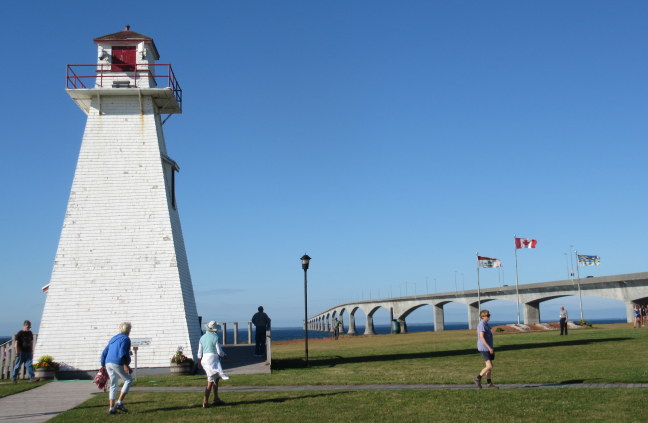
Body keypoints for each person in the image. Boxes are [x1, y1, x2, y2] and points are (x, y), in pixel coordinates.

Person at [100, 322, 133, 415]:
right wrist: (126, 364)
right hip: (117, 362)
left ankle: (111, 408)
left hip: (108, 362)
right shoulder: (126, 339)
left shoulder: (113, 338)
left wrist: (102, 363)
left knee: (113, 384)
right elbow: (122, 351)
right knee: (128, 380)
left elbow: (105, 351)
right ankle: (119, 402)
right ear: (128, 330)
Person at [197, 321, 229, 408]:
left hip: (204, 359)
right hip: (212, 360)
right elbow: (219, 351)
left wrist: (199, 362)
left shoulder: (202, 338)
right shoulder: (216, 337)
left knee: (216, 378)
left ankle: (216, 399)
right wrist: (225, 355)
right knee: (210, 381)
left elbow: (199, 352)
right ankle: (205, 402)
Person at [473, 309, 497, 389]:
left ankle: (489, 383)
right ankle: (478, 378)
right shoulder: (482, 324)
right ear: (483, 317)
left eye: (489, 315)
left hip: (488, 348)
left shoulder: (486, 324)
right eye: (488, 316)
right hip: (484, 348)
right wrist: (489, 347)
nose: (489, 317)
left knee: (489, 367)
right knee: (489, 366)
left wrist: (492, 348)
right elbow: (482, 337)